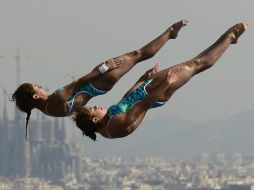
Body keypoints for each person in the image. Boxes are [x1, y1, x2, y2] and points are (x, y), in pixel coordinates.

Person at [12, 20, 189, 139]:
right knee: (137, 54)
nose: (40, 86)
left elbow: (78, 106)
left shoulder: (51, 109)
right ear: (35, 97)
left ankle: (170, 34)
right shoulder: (55, 101)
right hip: (98, 80)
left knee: (137, 55)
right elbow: (78, 83)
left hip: (98, 86)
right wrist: (103, 68)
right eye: (36, 87)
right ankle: (170, 33)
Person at [72, 22, 248, 141]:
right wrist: (166, 83)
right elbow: (143, 106)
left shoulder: (109, 119)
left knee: (191, 63)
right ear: (94, 120)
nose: (95, 106)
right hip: (157, 94)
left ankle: (177, 34)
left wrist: (142, 79)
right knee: (195, 65)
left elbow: (126, 100)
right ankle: (230, 37)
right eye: (93, 109)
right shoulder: (113, 127)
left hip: (147, 89)